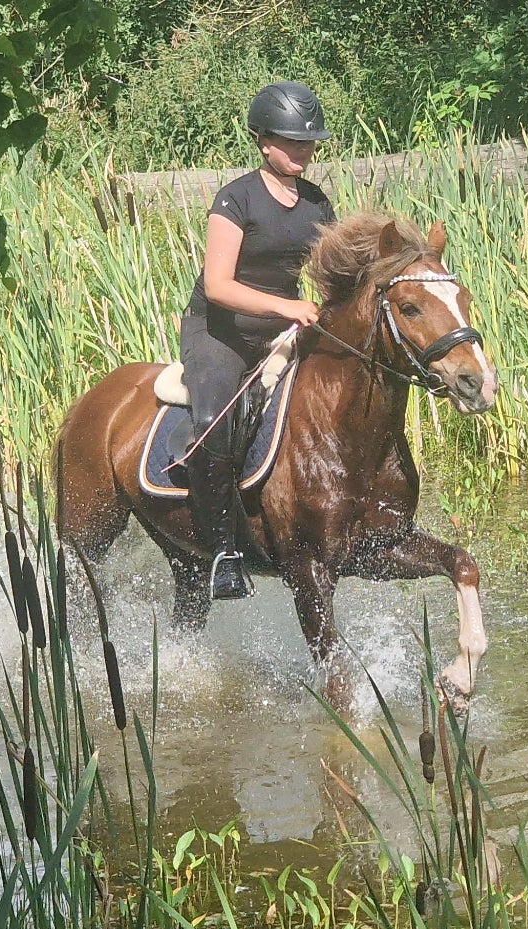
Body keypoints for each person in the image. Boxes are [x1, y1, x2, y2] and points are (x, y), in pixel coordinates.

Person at [181, 81, 337, 599]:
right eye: (293, 142)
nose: (304, 151)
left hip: (280, 332)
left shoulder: (317, 203)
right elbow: (219, 286)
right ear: (264, 142)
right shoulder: (236, 198)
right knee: (212, 420)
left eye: (309, 143)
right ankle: (222, 552)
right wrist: (287, 307)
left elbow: (333, 275)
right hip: (220, 332)